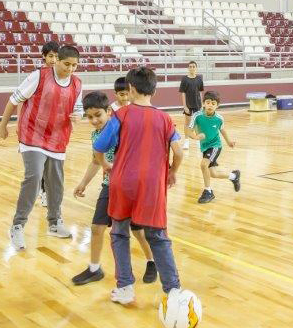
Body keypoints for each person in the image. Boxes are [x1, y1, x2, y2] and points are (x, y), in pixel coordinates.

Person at [92, 66, 185, 307]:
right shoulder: (164, 118)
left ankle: (125, 288)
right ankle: (173, 290)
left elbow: (100, 146)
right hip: (153, 185)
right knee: (158, 236)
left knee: (120, 233)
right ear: (154, 90)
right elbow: (178, 151)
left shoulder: (121, 115)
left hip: (123, 182)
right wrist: (172, 172)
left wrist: (105, 164)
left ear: (131, 89)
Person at [0, 44, 83, 250]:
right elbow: (13, 100)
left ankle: (54, 223)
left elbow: (78, 109)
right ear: (57, 60)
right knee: (34, 177)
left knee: (56, 182)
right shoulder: (39, 76)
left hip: (58, 138)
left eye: (74, 66)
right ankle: (17, 226)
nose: (70, 69)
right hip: (32, 135)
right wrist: (3, 125)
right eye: (67, 64)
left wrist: (78, 116)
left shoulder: (78, 83)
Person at [71, 91, 157, 287]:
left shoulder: (121, 128)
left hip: (130, 188)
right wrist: (83, 183)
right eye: (90, 117)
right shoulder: (95, 135)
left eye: (98, 115)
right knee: (96, 228)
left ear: (108, 111)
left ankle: (151, 261)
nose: (94, 120)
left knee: (137, 230)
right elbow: (96, 161)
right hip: (109, 187)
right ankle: (94, 269)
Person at [188, 91, 241, 203]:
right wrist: (196, 137)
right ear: (203, 104)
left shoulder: (219, 118)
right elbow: (189, 130)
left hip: (215, 145)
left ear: (217, 106)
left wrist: (229, 141)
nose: (210, 105)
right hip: (204, 147)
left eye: (213, 103)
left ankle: (208, 191)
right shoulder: (197, 116)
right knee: (213, 174)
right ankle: (234, 176)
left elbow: (222, 130)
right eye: (208, 102)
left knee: (203, 165)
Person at [37, 41, 60, 208]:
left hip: (55, 127)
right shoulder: (37, 76)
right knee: (40, 162)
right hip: (37, 127)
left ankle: (45, 191)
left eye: (56, 56)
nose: (53, 59)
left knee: (50, 163)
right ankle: (43, 191)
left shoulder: (62, 77)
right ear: (43, 56)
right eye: (50, 56)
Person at [178, 61, 204, 151]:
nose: (192, 68)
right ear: (188, 68)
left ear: (196, 68)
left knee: (197, 123)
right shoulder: (184, 79)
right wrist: (185, 106)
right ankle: (186, 141)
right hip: (188, 104)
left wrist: (202, 104)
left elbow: (200, 92)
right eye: (190, 66)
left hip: (197, 104)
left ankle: (198, 141)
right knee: (187, 123)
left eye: (193, 66)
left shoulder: (199, 78)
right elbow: (183, 93)